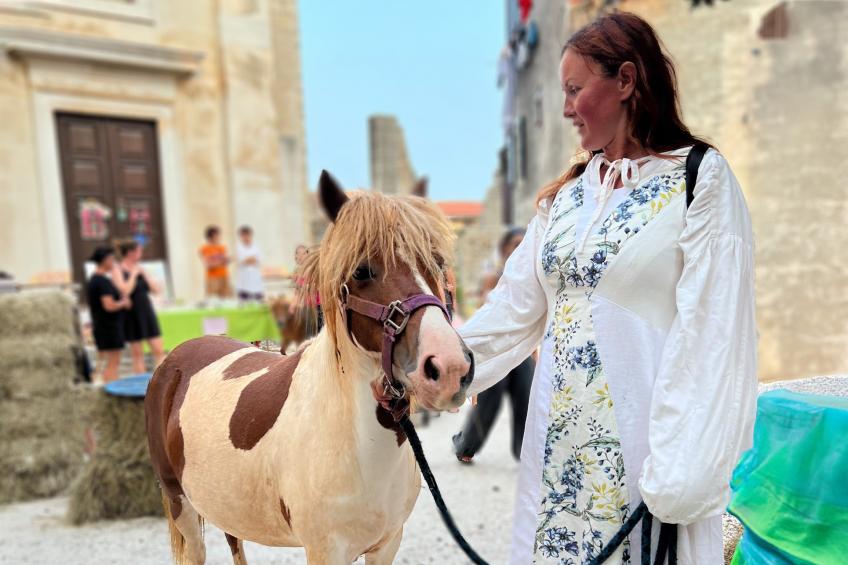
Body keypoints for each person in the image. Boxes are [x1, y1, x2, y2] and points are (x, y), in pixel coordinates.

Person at [458, 12, 757, 564]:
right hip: (557, 461)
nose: (567, 108)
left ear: (625, 81)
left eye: (575, 90)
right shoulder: (568, 196)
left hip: (647, 465)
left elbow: (713, 335)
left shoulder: (699, 179)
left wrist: (679, 475)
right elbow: (513, 308)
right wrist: (439, 366)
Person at [452, 228, 534, 462]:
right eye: (515, 243)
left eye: (524, 243)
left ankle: (523, 452)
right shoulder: (494, 278)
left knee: (526, 398)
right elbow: (485, 313)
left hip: (521, 349)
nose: (520, 248)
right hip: (494, 349)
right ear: (505, 248)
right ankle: (465, 446)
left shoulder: (533, 277)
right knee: (490, 402)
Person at [114, 239, 164, 374]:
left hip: (146, 310)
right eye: (139, 250)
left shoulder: (141, 268)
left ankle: (159, 381)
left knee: (158, 349)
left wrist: (145, 274)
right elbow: (125, 290)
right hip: (131, 313)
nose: (141, 253)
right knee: (137, 354)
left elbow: (156, 290)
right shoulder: (117, 269)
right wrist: (134, 274)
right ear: (131, 253)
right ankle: (140, 385)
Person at [86, 247, 131, 383]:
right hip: (108, 327)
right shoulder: (102, 282)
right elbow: (109, 305)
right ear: (105, 261)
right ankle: (112, 389)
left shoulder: (95, 280)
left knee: (105, 362)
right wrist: (122, 303)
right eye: (111, 259)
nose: (113, 262)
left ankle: (108, 384)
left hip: (103, 326)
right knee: (113, 363)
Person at [199, 225, 231, 298]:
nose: (219, 236)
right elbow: (207, 265)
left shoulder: (222, 247)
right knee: (212, 299)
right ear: (211, 236)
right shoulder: (204, 248)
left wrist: (226, 260)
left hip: (224, 275)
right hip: (212, 278)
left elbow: (225, 262)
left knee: (225, 298)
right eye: (217, 234)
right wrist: (220, 262)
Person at [235, 225, 265, 302]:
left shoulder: (256, 246)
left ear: (251, 235)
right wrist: (251, 259)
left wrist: (248, 259)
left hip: (256, 281)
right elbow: (241, 261)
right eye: (243, 235)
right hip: (243, 281)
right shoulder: (238, 247)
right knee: (243, 303)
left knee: (259, 302)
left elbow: (259, 260)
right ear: (241, 236)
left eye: (247, 234)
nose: (246, 237)